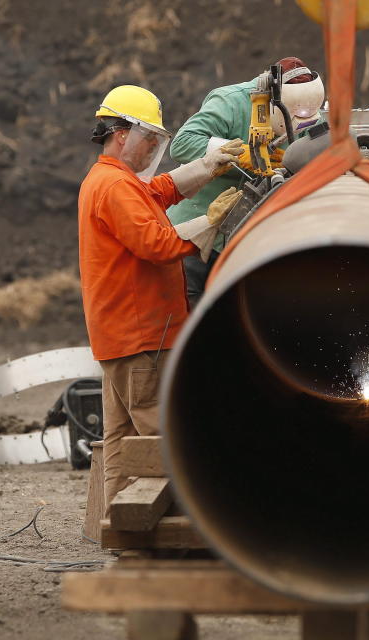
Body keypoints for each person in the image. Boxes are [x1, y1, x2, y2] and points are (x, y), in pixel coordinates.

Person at [78, 84, 243, 514]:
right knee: (157, 436)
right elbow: (157, 244)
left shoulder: (116, 180)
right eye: (150, 138)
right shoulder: (115, 187)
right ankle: (170, 527)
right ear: (122, 135)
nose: (154, 147)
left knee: (120, 439)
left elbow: (162, 191)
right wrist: (208, 223)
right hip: (141, 336)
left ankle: (118, 526)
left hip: (120, 337)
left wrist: (209, 165)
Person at [168, 56, 325, 305]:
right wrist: (238, 155)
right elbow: (182, 144)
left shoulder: (309, 110)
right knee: (189, 312)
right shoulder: (230, 102)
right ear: (274, 103)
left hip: (246, 237)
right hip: (197, 232)